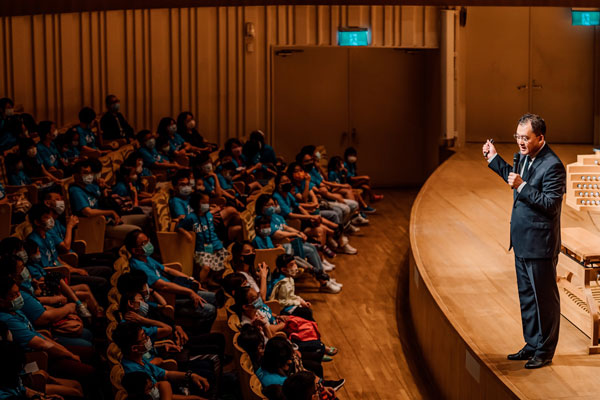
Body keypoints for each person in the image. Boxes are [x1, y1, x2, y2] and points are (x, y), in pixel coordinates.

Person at [483, 113, 566, 369]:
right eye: (517, 137)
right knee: (528, 298)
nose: (520, 142)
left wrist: (522, 186)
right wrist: (494, 159)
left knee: (545, 301)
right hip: (522, 240)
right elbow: (514, 179)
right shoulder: (524, 157)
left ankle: (545, 351)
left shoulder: (553, 165)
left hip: (540, 245)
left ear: (540, 138)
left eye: (525, 138)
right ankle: (531, 344)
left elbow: (550, 205)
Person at [124, 230, 218, 334]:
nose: (148, 244)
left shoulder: (146, 258)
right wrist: (190, 292)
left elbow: (167, 269)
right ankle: (198, 336)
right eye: (144, 243)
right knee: (210, 310)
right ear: (135, 250)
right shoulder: (139, 266)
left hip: (176, 291)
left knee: (214, 297)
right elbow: (163, 286)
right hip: (169, 298)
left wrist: (190, 279)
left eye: (148, 240)